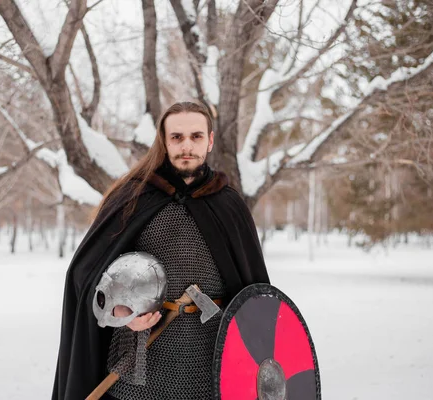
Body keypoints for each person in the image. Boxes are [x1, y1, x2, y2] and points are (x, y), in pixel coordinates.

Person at [52, 101, 270, 400]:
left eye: (195, 136)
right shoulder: (133, 197)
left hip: (211, 356)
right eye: (176, 137)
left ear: (210, 140)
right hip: (142, 355)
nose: (186, 146)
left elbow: (252, 289)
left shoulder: (229, 205)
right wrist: (121, 312)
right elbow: (87, 273)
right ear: (164, 141)